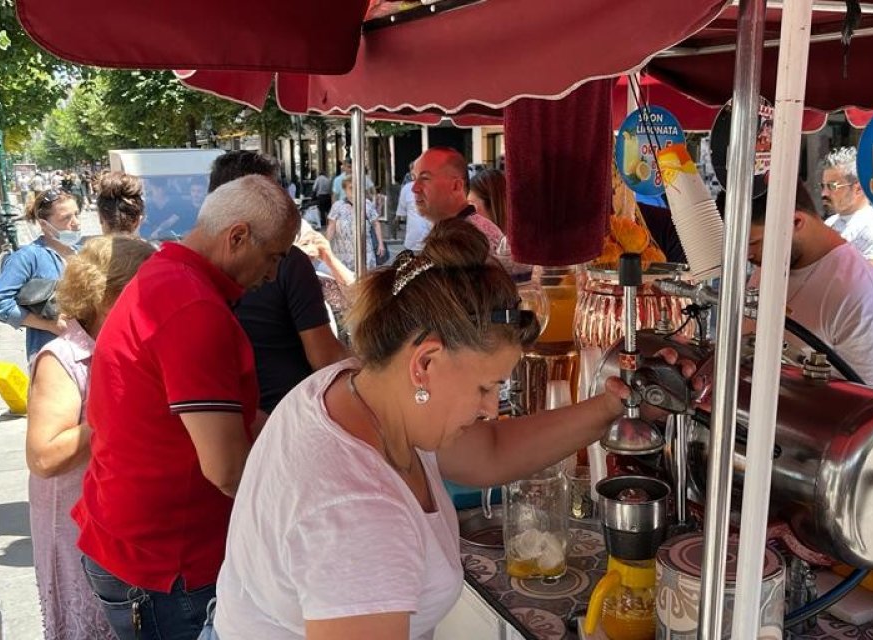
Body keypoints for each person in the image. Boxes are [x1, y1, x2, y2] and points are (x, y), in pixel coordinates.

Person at [212, 220, 649, 639]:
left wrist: (611, 405)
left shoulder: (364, 390)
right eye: (485, 387)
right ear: (425, 362)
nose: (490, 408)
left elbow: (490, 451)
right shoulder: (358, 513)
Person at [74, 175, 298, 640]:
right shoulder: (193, 305)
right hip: (167, 564)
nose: (274, 273)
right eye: (275, 255)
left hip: (137, 543)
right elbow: (227, 470)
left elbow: (226, 415)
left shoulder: (168, 276)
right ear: (237, 237)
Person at [26, 236, 155, 640]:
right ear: (109, 296)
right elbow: (45, 457)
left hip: (119, 523)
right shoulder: (64, 358)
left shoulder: (135, 347)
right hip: (76, 527)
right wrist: (114, 413)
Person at [209, 151, 346, 414]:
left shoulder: (186, 273)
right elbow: (325, 356)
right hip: (288, 415)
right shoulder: (289, 262)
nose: (269, 273)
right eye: (272, 197)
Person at [743, 184, 873, 393]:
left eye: (754, 243)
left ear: (796, 222)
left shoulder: (868, 302)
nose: (747, 255)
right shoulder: (776, 258)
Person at [0, 189, 82, 360]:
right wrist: (49, 325)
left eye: (76, 214)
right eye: (66, 218)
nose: (75, 223)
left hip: (86, 348)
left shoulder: (83, 252)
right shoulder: (29, 257)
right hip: (52, 354)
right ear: (44, 224)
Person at [819, 147, 873, 276]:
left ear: (858, 189)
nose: (824, 193)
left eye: (832, 186)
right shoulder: (829, 223)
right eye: (823, 186)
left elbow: (872, 286)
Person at [413, 147, 504, 249]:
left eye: (425, 178)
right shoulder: (448, 229)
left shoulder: (474, 236)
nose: (414, 188)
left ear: (456, 186)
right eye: (414, 178)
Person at [326, 180, 384, 270]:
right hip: (343, 251)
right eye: (350, 188)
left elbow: (376, 224)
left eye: (356, 187)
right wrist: (326, 244)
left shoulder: (366, 204)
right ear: (345, 190)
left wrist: (380, 243)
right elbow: (331, 227)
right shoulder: (337, 206)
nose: (353, 190)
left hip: (364, 249)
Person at [399, 170, 430, 252]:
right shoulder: (406, 189)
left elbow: (402, 214)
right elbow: (402, 213)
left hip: (428, 241)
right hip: (413, 241)